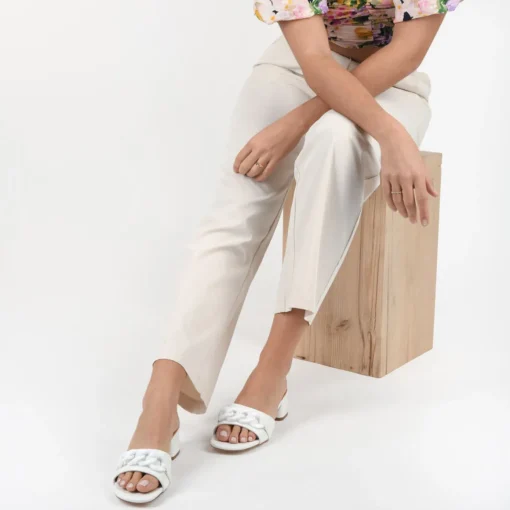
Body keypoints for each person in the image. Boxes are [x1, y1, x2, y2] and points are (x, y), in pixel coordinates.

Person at [112, 0, 464, 503]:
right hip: (293, 71)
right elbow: (316, 60)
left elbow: (407, 52)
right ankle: (161, 396)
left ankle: (272, 370)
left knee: (336, 140)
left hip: (392, 85)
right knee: (234, 214)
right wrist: (307, 123)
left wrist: (384, 131)